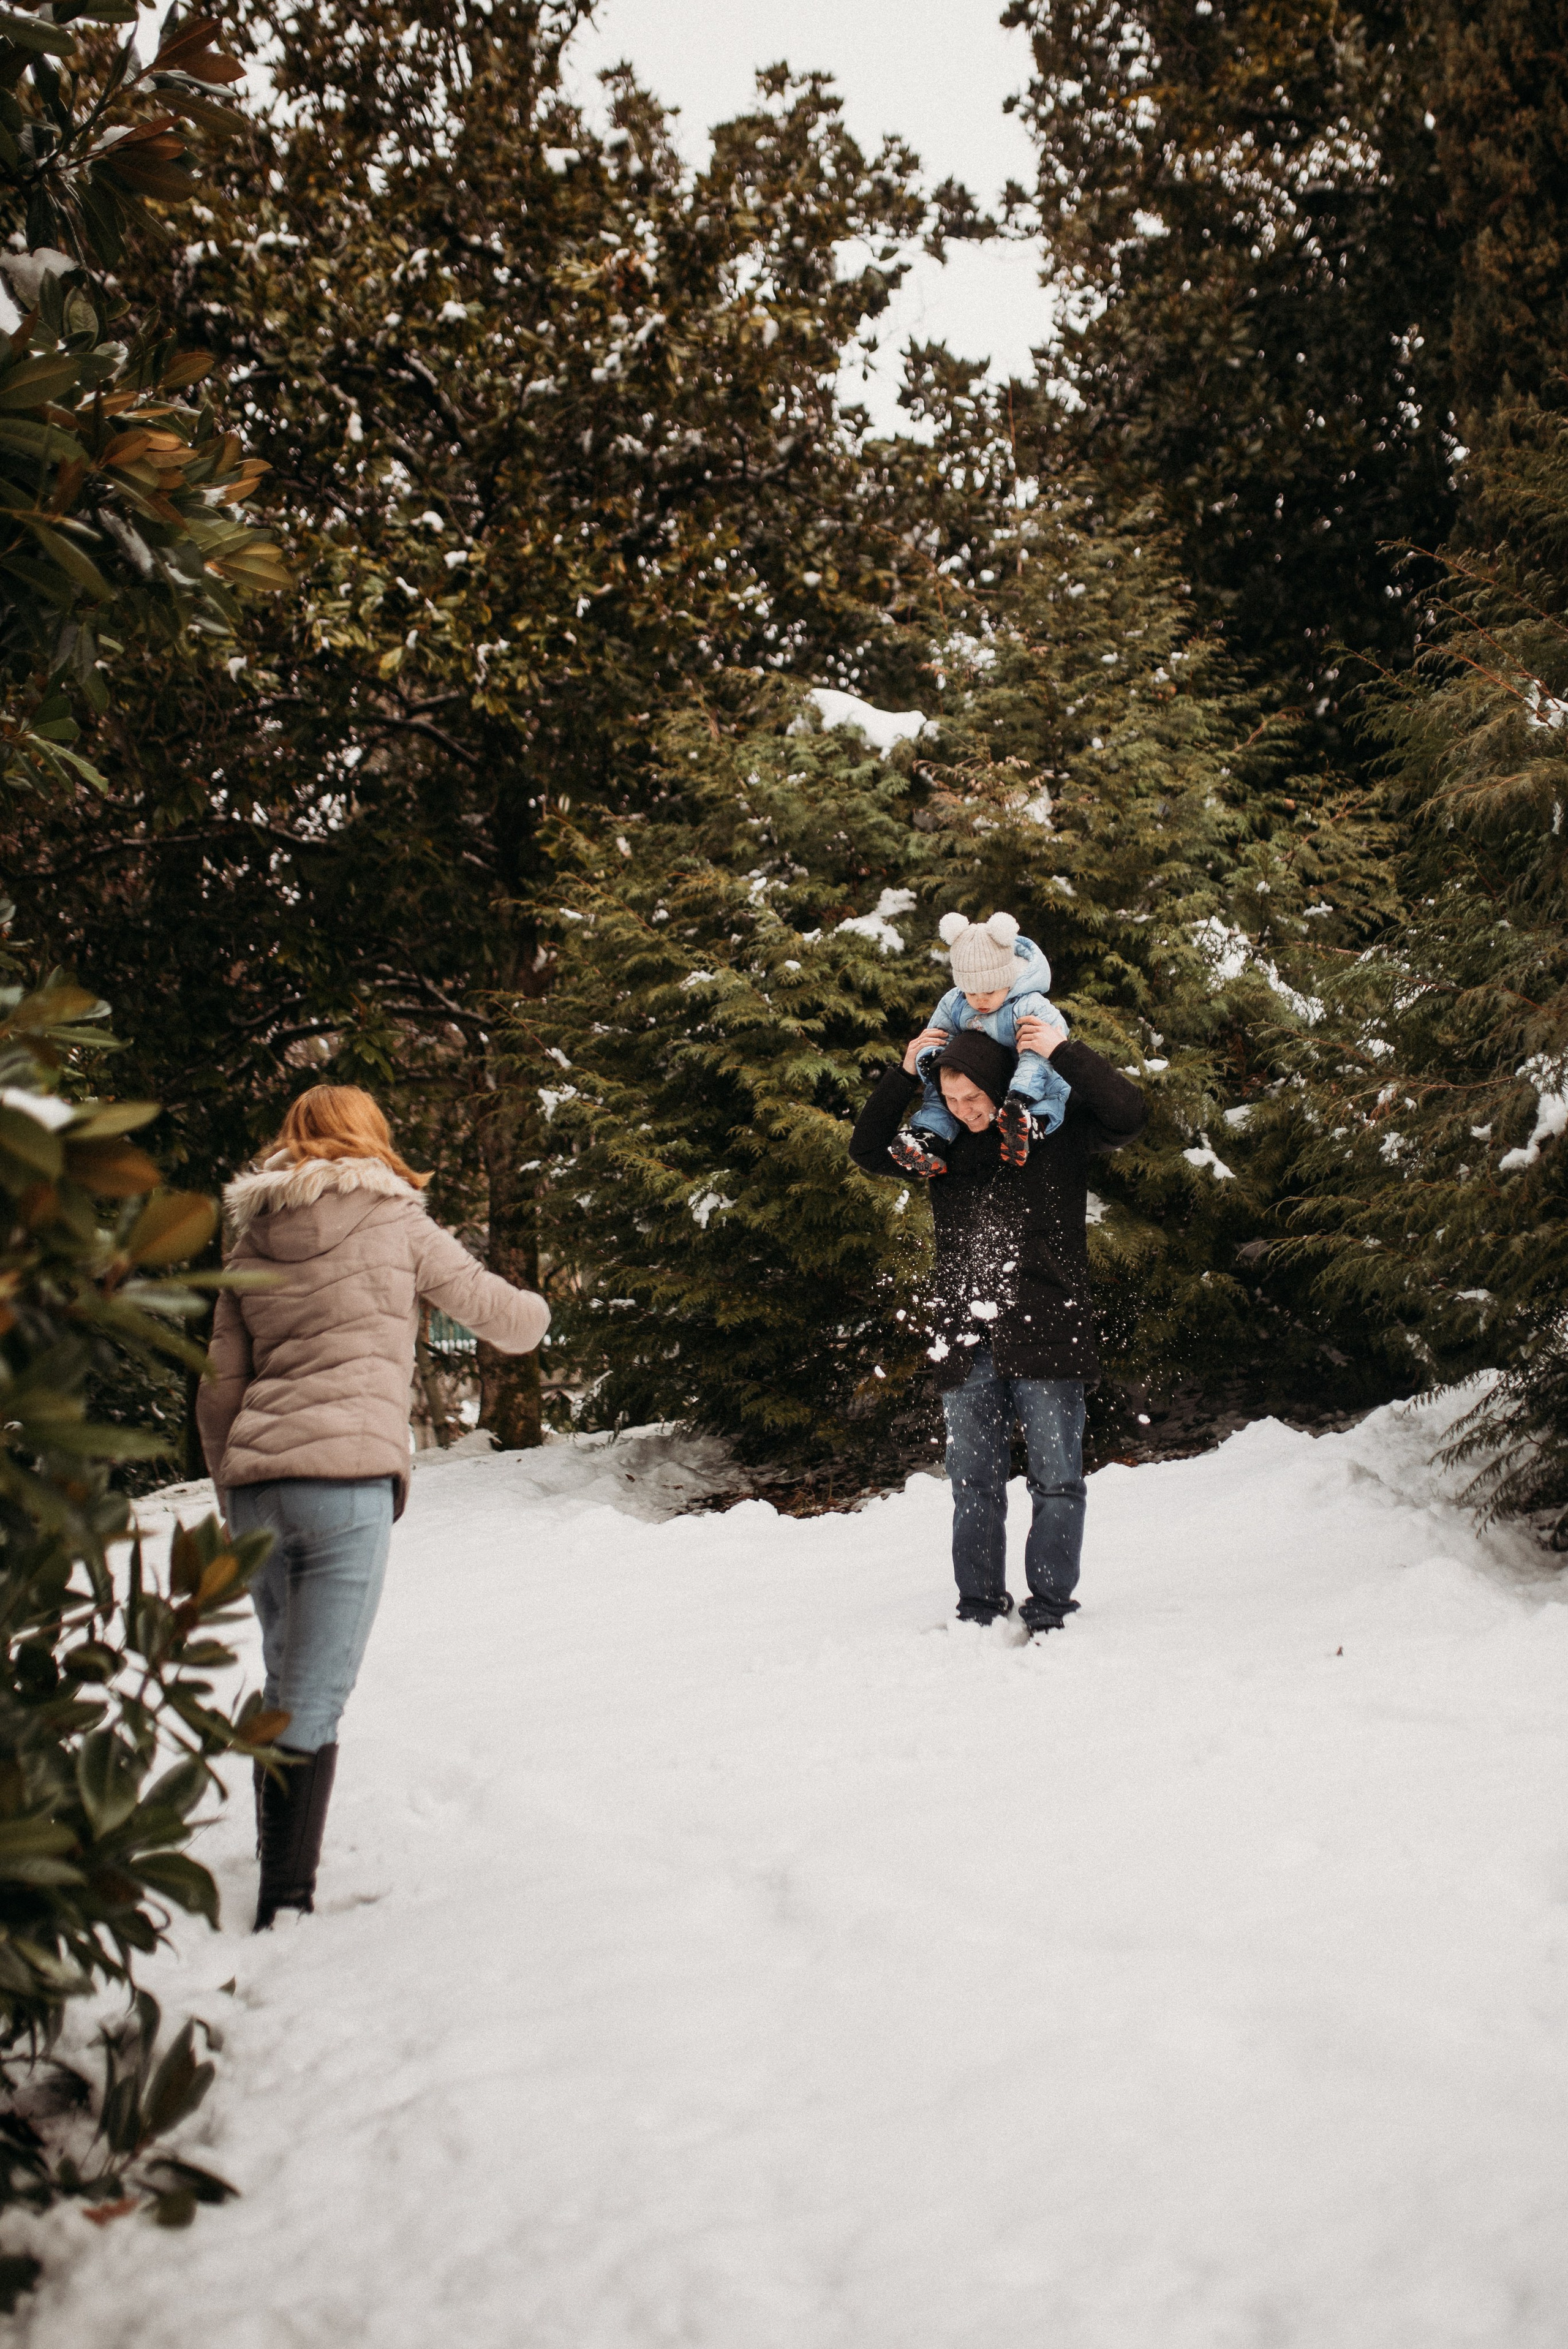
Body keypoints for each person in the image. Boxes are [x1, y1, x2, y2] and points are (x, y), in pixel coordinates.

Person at [197, 1084, 549, 1929]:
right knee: (314, 1694)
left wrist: (231, 1488)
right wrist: (541, 1311)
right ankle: (284, 1905)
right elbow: (506, 1320)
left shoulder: (250, 1236)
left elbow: (218, 1390)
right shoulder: (398, 1221)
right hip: (345, 1487)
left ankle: (278, 1870)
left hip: (257, 1489)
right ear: (371, 1139)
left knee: (287, 1681)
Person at [850, 1008, 1146, 1635]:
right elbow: (867, 1149)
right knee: (973, 1485)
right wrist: (905, 1076)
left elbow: (1129, 1115)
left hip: (1048, 1327)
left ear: (1002, 1084)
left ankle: (1050, 1608)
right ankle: (979, 1607)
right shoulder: (943, 1147)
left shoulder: (1051, 1131)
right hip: (965, 1335)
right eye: (950, 1098)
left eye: (972, 1096)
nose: (963, 1110)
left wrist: (1065, 1052)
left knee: (1057, 1481)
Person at [891, 910, 1071, 1177]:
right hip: (976, 1073)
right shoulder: (955, 1002)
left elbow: (1038, 1055)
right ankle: (929, 1139)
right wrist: (931, 1059)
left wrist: (1020, 1095)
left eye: (990, 991)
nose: (981, 1001)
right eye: (972, 992)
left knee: (1051, 1093)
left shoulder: (1030, 1005)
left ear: (1008, 980)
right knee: (945, 1094)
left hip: (1029, 1074)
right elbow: (938, 1034)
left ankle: (1026, 1129)